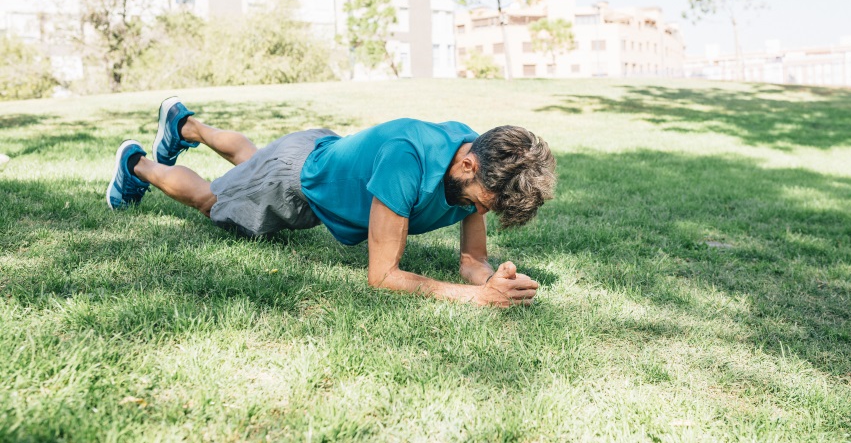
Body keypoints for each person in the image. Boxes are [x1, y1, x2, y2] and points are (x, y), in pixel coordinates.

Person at [107, 97, 556, 307]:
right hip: (293, 180)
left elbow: (472, 259)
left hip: (315, 153)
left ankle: (185, 125)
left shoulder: (472, 154)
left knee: (251, 159)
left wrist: (490, 277)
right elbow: (382, 277)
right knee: (213, 200)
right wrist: (475, 300)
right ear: (469, 167)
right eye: (487, 203)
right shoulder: (409, 160)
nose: (482, 213)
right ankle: (137, 164)